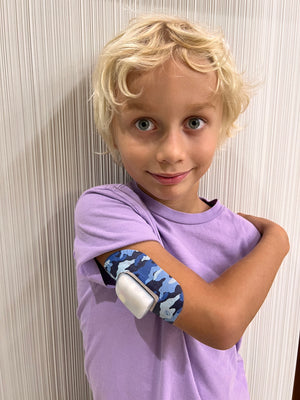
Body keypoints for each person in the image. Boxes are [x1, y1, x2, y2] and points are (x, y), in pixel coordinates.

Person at [74, 15, 289, 400]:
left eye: (193, 121)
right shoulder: (106, 214)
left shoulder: (242, 237)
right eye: (144, 124)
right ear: (113, 129)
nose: (171, 153)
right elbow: (222, 323)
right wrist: (278, 238)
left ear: (222, 124)